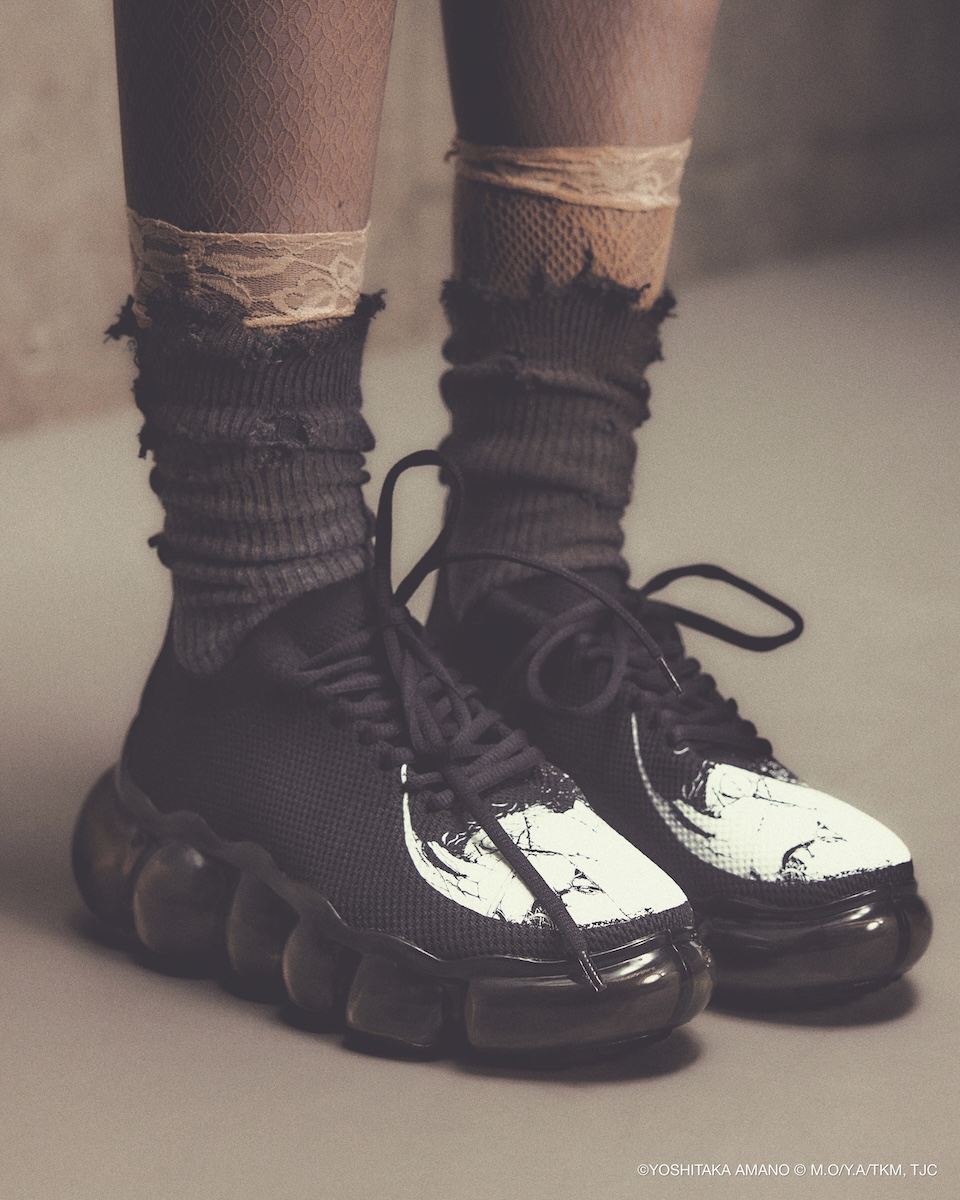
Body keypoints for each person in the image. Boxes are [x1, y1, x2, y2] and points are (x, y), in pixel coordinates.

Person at [71, 0, 931, 1061]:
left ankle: (528, 595)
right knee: (271, 569)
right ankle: (257, 627)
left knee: (550, 528)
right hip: (246, 670)